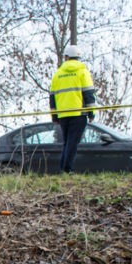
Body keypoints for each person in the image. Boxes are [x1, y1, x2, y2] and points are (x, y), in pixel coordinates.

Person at [49, 44, 96, 173]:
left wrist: (54, 116)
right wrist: (91, 113)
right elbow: (88, 93)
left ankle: (64, 168)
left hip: (63, 114)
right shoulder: (82, 71)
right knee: (73, 143)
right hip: (78, 113)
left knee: (67, 142)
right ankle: (67, 169)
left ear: (66, 57)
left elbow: (52, 97)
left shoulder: (57, 74)